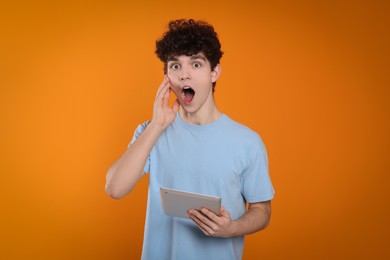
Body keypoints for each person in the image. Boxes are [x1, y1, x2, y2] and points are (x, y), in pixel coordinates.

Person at [105, 19, 275, 260]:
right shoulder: (151, 131)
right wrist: (157, 125)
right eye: (175, 66)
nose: (184, 74)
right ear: (166, 77)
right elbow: (114, 188)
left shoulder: (247, 142)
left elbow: (262, 211)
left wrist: (232, 228)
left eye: (196, 64)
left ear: (214, 72)